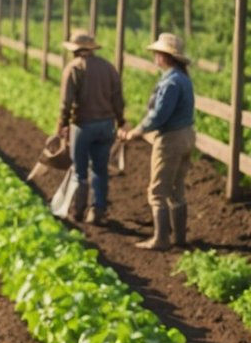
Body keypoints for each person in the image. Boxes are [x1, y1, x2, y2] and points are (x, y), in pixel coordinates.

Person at [120, 33, 196, 250]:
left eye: (157, 53)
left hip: (171, 139)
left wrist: (137, 131)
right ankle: (179, 238)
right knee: (176, 189)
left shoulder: (171, 82)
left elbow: (159, 115)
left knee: (157, 191)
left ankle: (161, 239)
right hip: (187, 135)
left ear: (164, 56)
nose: (154, 56)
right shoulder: (183, 78)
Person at [55, 31, 125, 225]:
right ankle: (97, 209)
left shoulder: (74, 68)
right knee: (101, 169)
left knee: (80, 170)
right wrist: (120, 120)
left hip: (83, 125)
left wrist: (62, 124)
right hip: (106, 126)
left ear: (75, 50)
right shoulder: (108, 68)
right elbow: (118, 98)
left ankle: (78, 211)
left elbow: (65, 102)